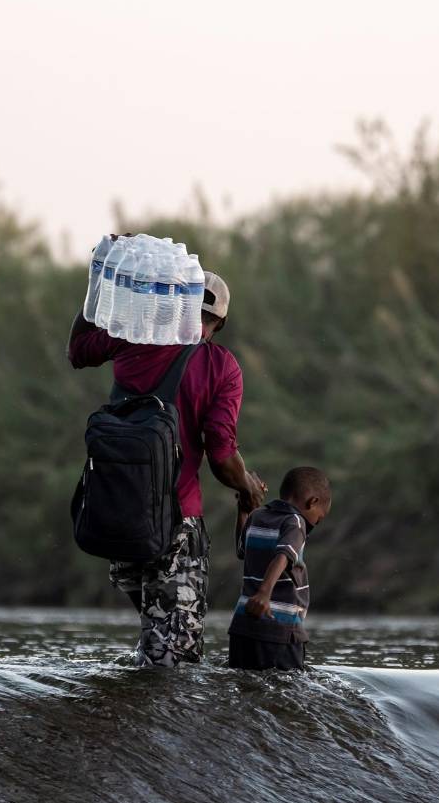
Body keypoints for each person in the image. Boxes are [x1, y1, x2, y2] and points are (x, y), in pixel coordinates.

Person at [67, 265, 266, 667]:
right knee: (174, 663)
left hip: (118, 518)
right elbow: (223, 457)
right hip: (175, 524)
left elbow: (77, 349)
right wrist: (248, 487)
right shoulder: (220, 367)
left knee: (152, 647)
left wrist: (102, 278)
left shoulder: (131, 338)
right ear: (219, 322)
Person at [228, 466, 331, 671]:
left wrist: (244, 509)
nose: (315, 525)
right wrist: (264, 593)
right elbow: (283, 555)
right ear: (313, 502)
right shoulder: (295, 521)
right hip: (280, 629)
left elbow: (242, 550)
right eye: (319, 519)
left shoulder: (256, 516)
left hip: (243, 627)